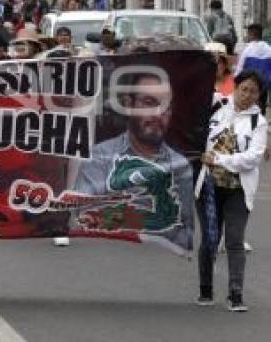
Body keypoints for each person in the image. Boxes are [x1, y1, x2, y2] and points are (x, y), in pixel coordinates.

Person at [72, 71, 194, 250]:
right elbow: (85, 215)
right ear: (129, 105)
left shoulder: (181, 166)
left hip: (157, 261)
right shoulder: (99, 157)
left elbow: (185, 227)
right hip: (106, 256)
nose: (157, 114)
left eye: (165, 106)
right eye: (148, 103)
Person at [197, 70, 267, 311]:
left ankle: (235, 295)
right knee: (209, 240)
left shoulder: (259, 122)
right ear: (235, 87)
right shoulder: (217, 106)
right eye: (244, 89)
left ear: (259, 96)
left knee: (235, 240)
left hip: (238, 189)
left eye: (253, 92)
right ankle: (205, 290)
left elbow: (252, 158)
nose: (247, 95)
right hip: (208, 187)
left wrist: (218, 159)